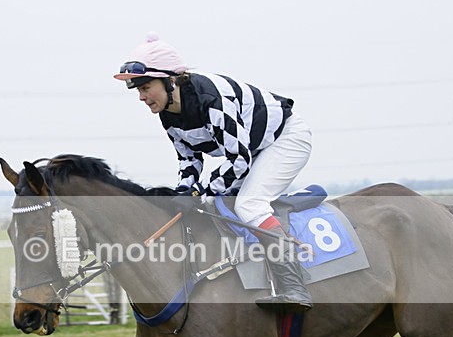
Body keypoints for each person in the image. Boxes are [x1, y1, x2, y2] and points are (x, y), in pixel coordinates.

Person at [113, 33, 313, 313]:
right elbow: (189, 161)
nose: (142, 97)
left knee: (248, 204)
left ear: (171, 81)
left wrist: (200, 191)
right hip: (251, 148)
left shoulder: (211, 101)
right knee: (207, 204)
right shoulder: (167, 112)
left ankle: (294, 285)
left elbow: (239, 160)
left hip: (284, 139)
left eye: (146, 87)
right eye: (138, 91)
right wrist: (184, 191)